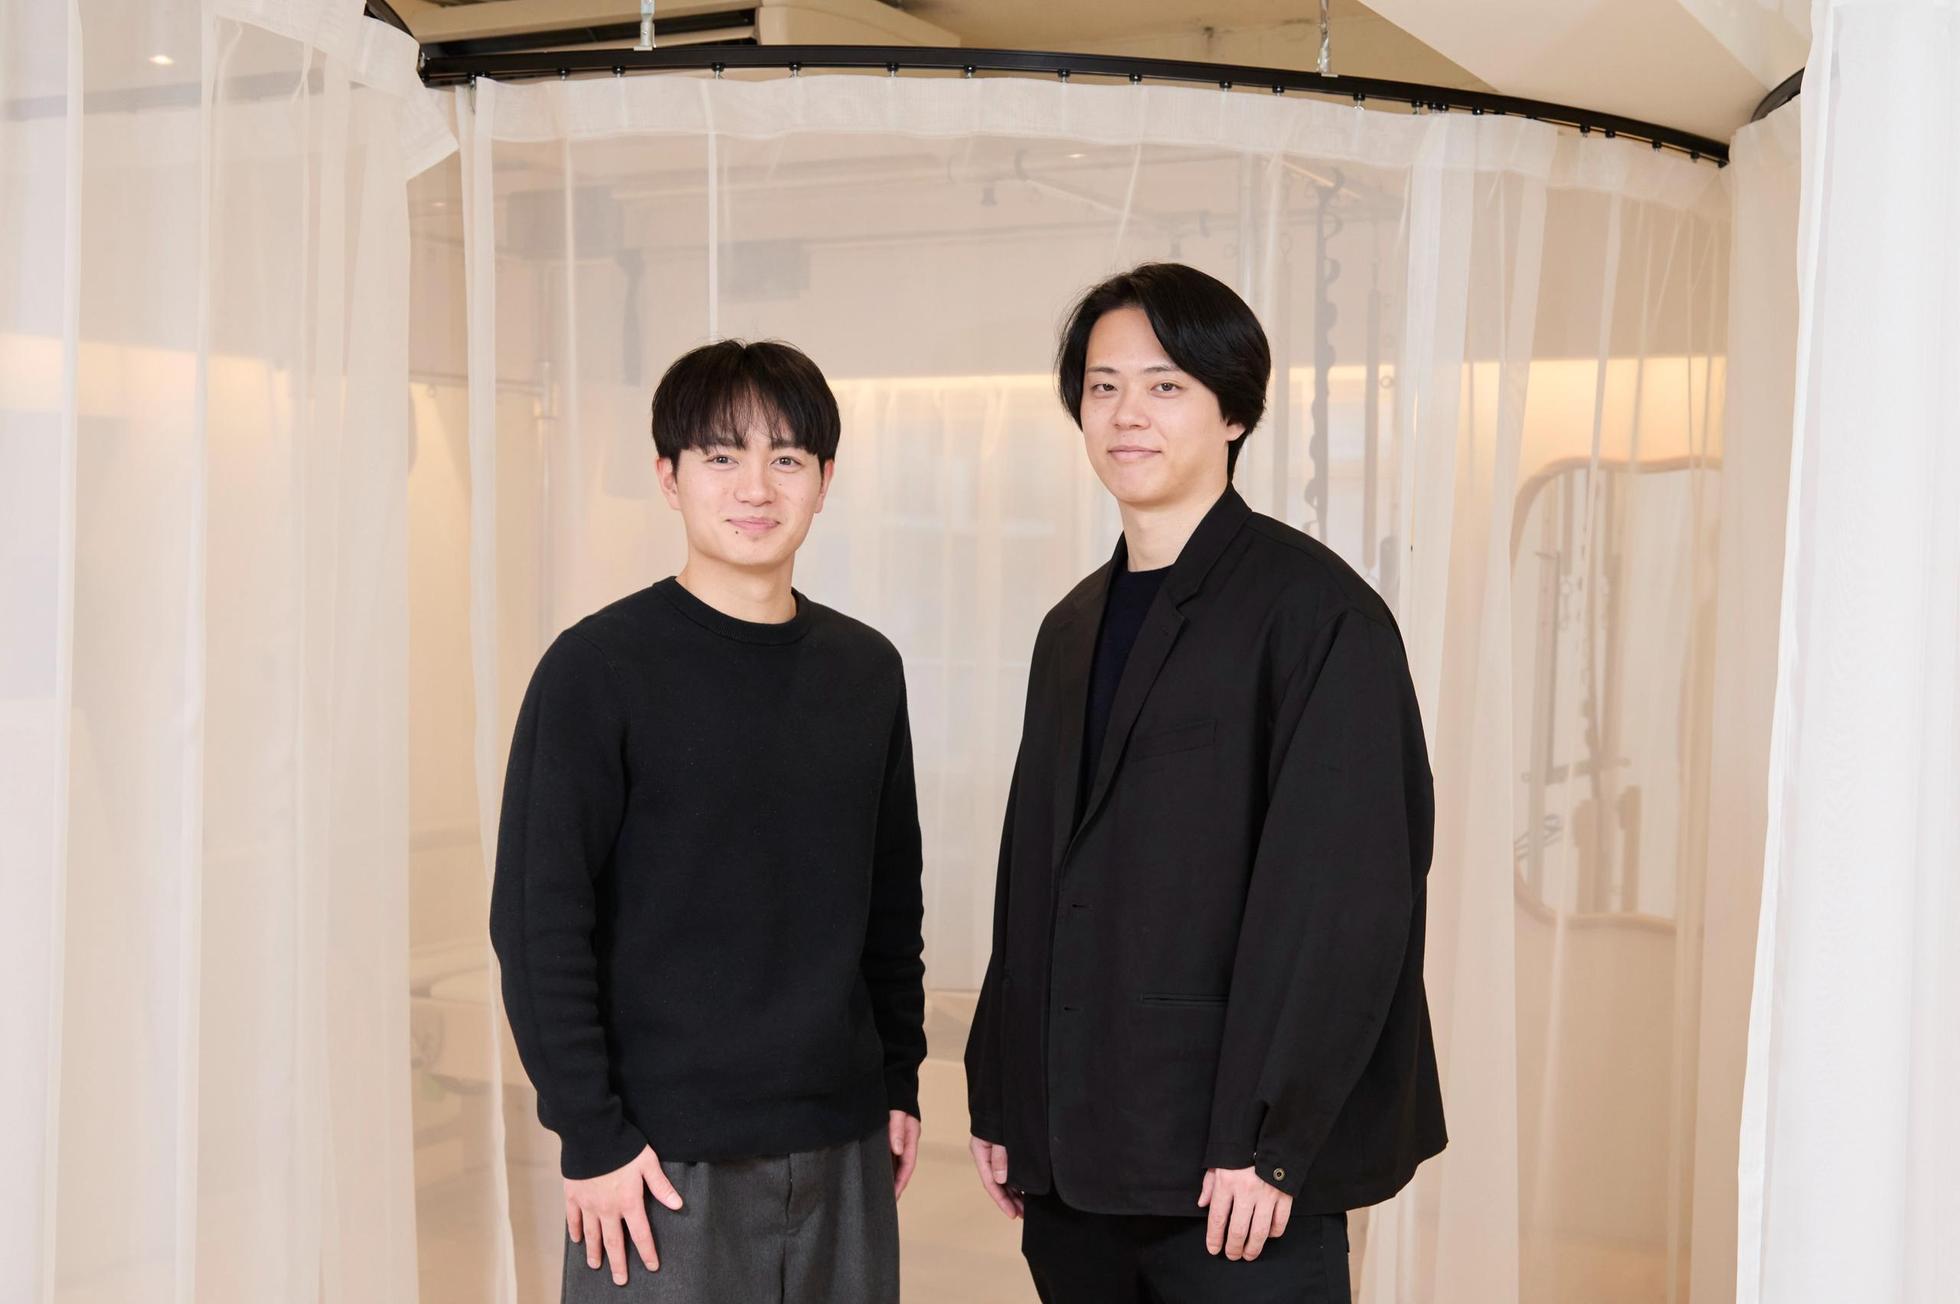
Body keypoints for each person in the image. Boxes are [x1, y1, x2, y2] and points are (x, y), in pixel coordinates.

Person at [963, 263, 1445, 1303]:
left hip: (1233, 1178)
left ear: (1232, 411)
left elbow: (1343, 899)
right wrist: (1000, 1091)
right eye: (1103, 387)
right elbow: (1032, 879)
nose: (1127, 414)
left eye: (1165, 385)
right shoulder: (1070, 626)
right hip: (1076, 1164)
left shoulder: (1317, 614)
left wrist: (1271, 1142)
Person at [490, 339, 926, 1303]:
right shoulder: (596, 670)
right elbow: (537, 921)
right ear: (669, 477)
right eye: (721, 456)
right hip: (657, 1156)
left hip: (842, 1138)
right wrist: (591, 1135)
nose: (755, 487)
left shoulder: (866, 670)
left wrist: (898, 1076)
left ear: (825, 480)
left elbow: (890, 901)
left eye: (786, 458)